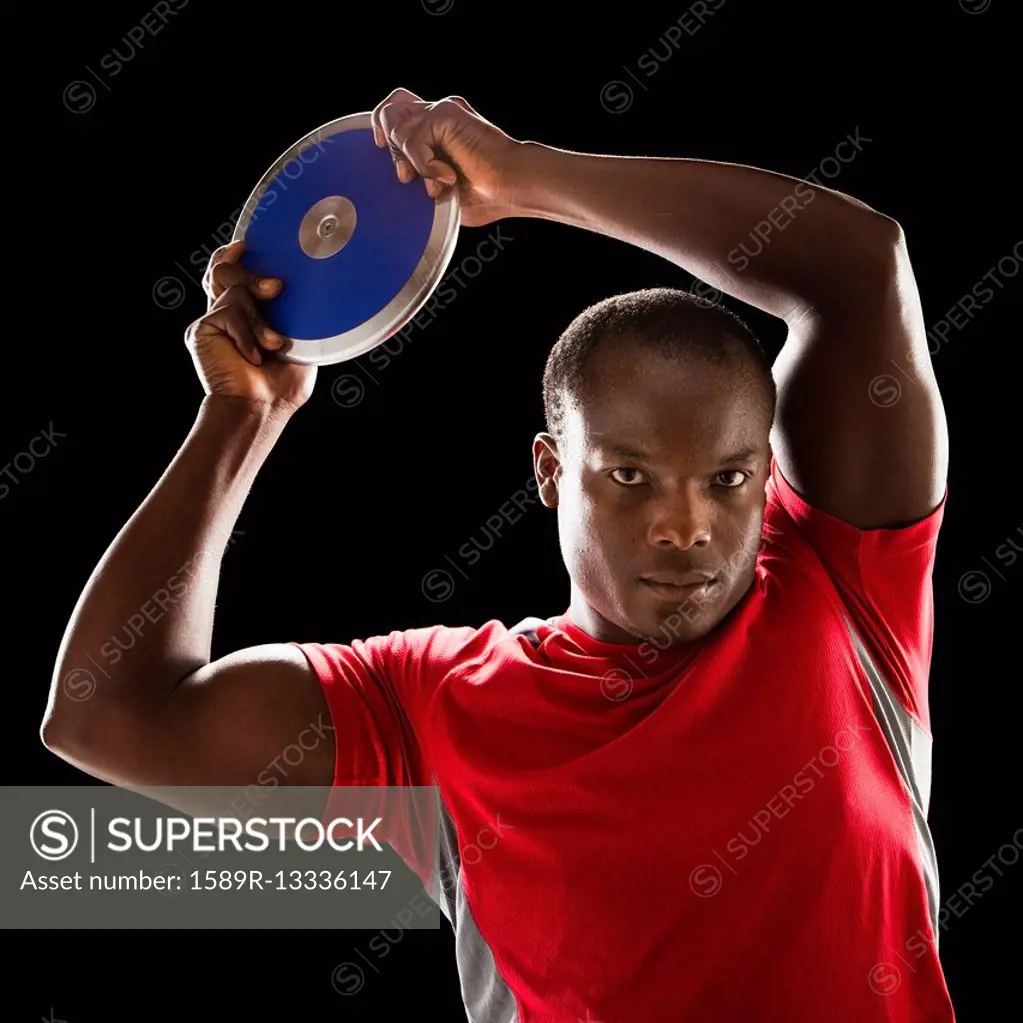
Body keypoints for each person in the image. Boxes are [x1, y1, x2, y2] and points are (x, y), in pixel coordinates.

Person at [42, 88, 953, 1021]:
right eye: (631, 477)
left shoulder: (843, 591)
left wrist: (523, 177)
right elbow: (108, 715)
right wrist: (242, 417)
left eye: (724, 479)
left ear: (765, 476)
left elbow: (860, 265)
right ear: (551, 472)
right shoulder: (431, 705)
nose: (686, 526)